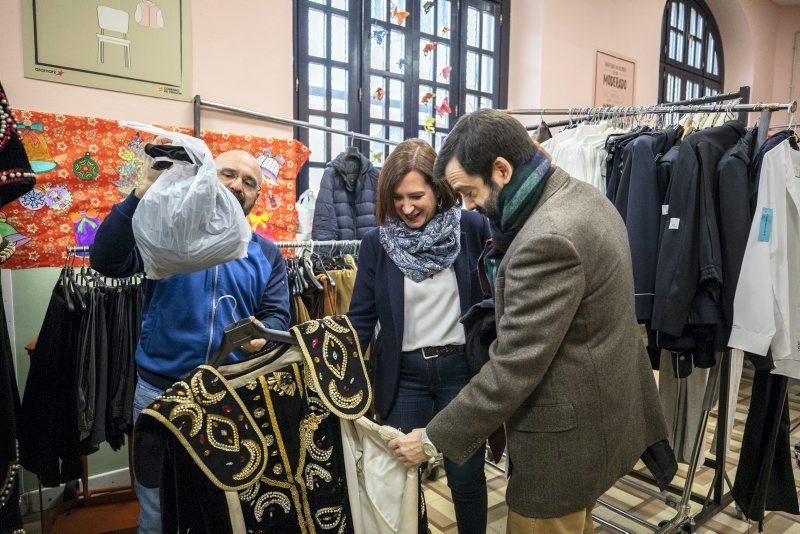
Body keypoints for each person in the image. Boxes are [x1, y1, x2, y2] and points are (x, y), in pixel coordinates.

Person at [388, 110, 670, 533]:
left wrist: (431, 440)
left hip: (561, 440)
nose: (468, 205)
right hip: (600, 414)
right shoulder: (583, 196)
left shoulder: (546, 237)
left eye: (468, 191)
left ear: (502, 169)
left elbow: (514, 366)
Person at [90, 138, 291, 534]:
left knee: (226, 508)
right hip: (161, 393)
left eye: (249, 182)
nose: (237, 186)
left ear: (257, 196)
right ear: (206, 178)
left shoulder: (266, 253)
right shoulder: (165, 233)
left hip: (231, 394)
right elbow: (106, 261)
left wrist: (263, 338)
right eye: (228, 174)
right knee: (157, 512)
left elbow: (277, 315)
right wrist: (139, 193)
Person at [347, 138, 491, 534]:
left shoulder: (472, 229)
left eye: (416, 196)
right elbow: (360, 318)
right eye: (397, 198)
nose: (406, 207)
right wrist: (344, 378)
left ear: (438, 189)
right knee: (399, 479)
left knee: (466, 479)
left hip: (461, 373)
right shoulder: (377, 244)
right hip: (404, 376)